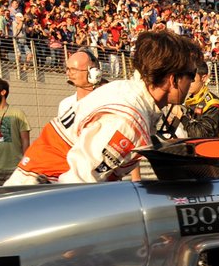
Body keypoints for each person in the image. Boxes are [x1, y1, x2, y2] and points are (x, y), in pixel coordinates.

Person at [59, 29, 202, 183]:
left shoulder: (125, 90)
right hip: (46, 189)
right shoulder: (130, 118)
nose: (192, 82)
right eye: (192, 75)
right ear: (173, 79)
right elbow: (76, 184)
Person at [5, 48, 102, 185]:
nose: (69, 73)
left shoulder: (104, 102)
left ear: (94, 71)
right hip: (69, 173)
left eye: (74, 69)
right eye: (68, 69)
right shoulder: (65, 104)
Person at [0, 77, 30, 185]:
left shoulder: (18, 113)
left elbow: (25, 141)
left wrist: (24, 165)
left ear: (3, 92)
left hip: (15, 168)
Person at [166, 60, 219, 139]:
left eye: (193, 77)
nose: (189, 81)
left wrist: (181, 116)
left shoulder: (212, 104)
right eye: (187, 77)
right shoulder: (190, 101)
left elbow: (202, 136)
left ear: (204, 78)